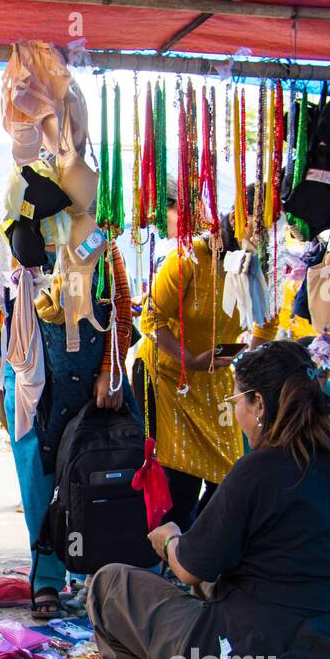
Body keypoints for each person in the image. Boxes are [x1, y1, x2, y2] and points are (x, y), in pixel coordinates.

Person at [89, 340, 330, 659]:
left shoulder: (259, 470)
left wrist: (170, 539)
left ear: (257, 405)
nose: (236, 413)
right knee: (218, 593)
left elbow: (189, 566)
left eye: (236, 400)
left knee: (108, 586)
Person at [4, 238, 136, 614]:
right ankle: (47, 578)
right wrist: (19, 362)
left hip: (96, 378)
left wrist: (111, 368)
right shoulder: (20, 240)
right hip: (37, 386)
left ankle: (96, 572)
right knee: (39, 486)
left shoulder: (101, 245)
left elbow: (121, 308)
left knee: (98, 477)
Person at [132, 179, 244, 532]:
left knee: (230, 475)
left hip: (217, 379)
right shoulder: (190, 257)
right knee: (179, 478)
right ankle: (172, 557)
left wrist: (248, 358)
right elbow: (151, 317)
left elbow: (266, 324)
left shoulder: (256, 266)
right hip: (169, 376)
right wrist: (191, 360)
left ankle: (196, 549)